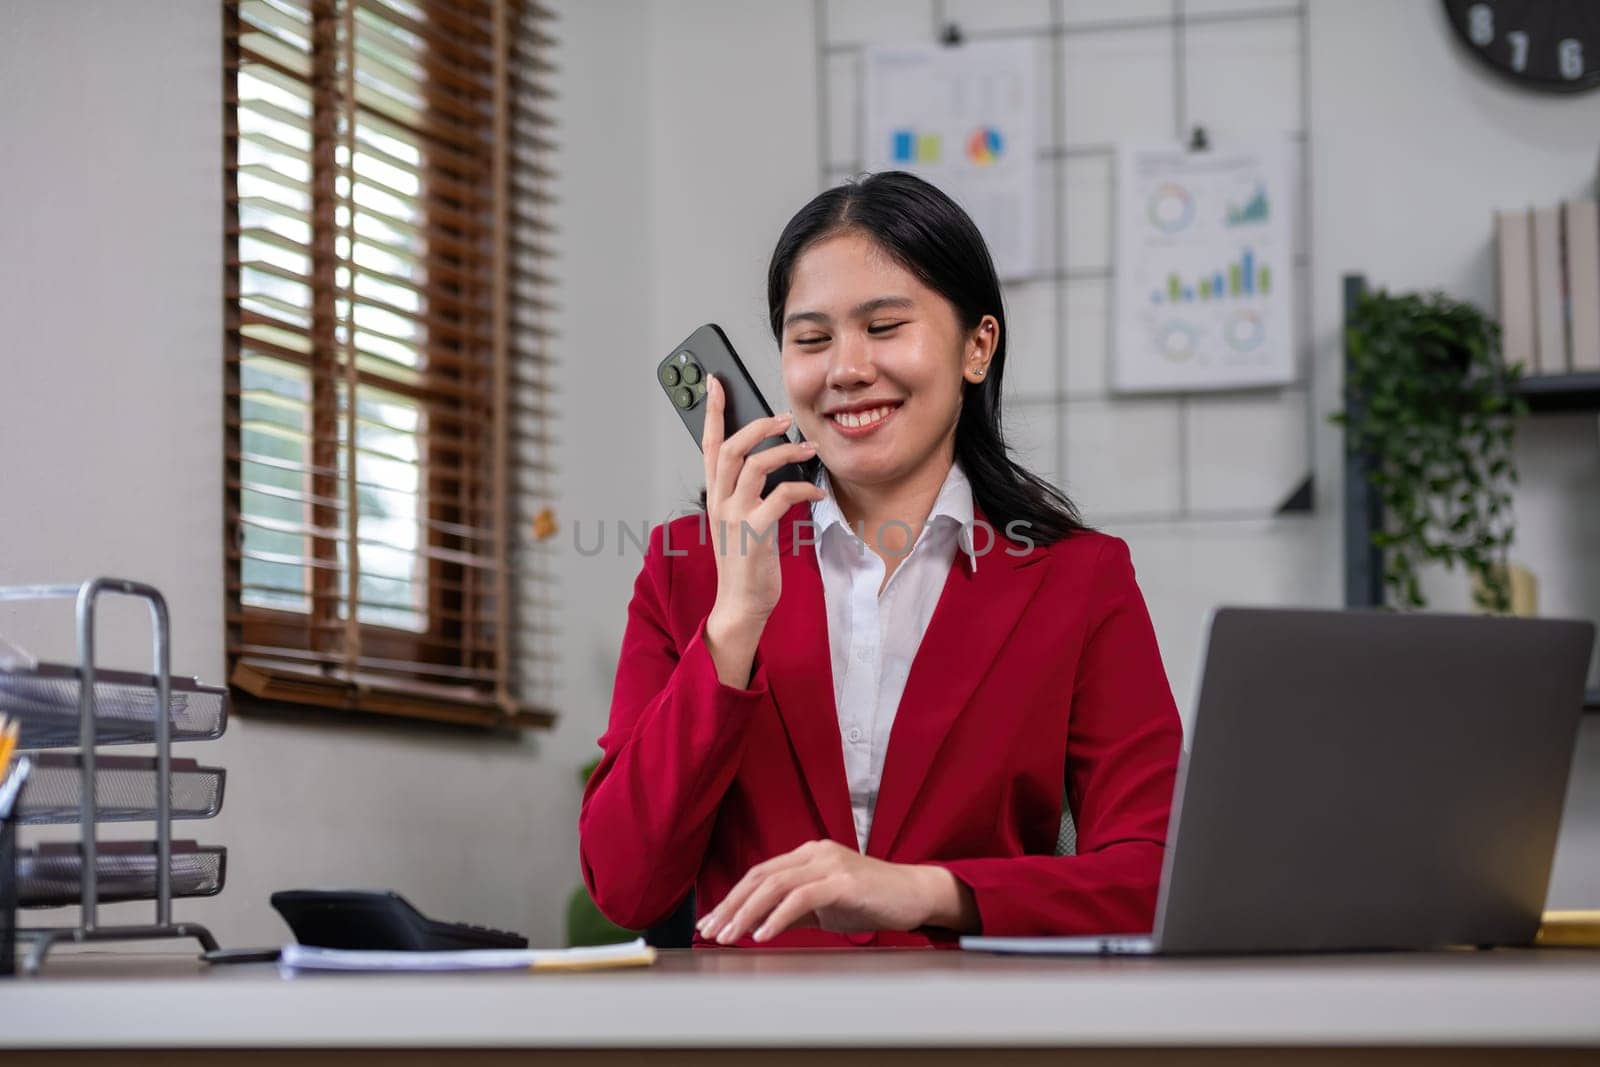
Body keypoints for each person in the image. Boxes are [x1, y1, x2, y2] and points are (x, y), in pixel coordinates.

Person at [579, 171, 1183, 948]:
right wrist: (733, 623)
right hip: (746, 1040)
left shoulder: (1079, 579)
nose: (846, 369)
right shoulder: (688, 568)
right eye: (812, 338)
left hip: (981, 1036)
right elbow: (626, 884)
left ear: (977, 346)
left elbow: (1156, 873)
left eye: (885, 326)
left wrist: (925, 891)